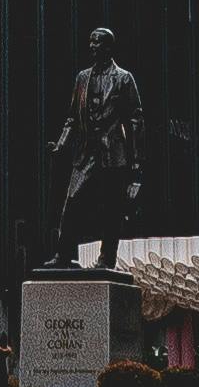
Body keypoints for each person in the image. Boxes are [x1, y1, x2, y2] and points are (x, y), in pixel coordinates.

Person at [45, 27, 148, 268]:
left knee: (111, 210)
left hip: (113, 154)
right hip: (86, 153)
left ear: (108, 47)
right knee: (72, 202)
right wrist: (61, 144)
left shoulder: (123, 78)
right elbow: (72, 117)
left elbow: (135, 120)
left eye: (97, 43)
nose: (92, 46)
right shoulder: (82, 78)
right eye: (90, 42)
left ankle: (107, 258)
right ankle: (62, 255)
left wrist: (135, 166)